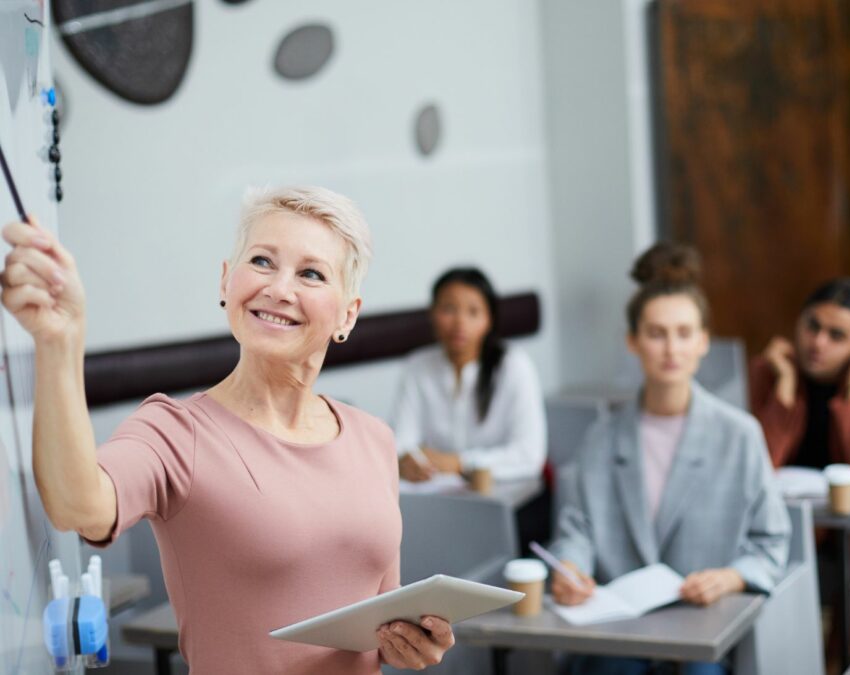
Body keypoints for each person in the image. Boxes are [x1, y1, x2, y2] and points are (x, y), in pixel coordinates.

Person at [0, 188, 454, 674]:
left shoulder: (373, 439)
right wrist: (58, 344)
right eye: (262, 261)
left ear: (348, 313)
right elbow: (78, 505)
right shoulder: (175, 432)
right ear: (225, 280)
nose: (279, 288)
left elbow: (378, 624)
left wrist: (410, 643)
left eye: (310, 273)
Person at [548, 243, 790, 675]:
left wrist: (730, 577)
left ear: (703, 342)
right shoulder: (602, 437)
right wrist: (570, 568)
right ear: (633, 342)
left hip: (703, 629)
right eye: (656, 333)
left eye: (683, 333)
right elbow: (577, 529)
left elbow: (771, 543)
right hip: (621, 629)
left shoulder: (739, 434)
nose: (670, 349)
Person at [749, 278, 850, 584]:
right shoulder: (770, 369)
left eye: (837, 336)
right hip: (793, 504)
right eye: (812, 326)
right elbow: (762, 463)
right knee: (785, 534)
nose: (818, 343)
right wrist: (784, 387)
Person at [392, 267, 546, 483]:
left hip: (504, 493)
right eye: (448, 309)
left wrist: (461, 463)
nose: (460, 323)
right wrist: (405, 462)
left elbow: (528, 455)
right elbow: (402, 443)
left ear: (488, 320)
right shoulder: (417, 367)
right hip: (435, 493)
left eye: (473, 312)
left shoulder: (514, 366)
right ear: (432, 314)